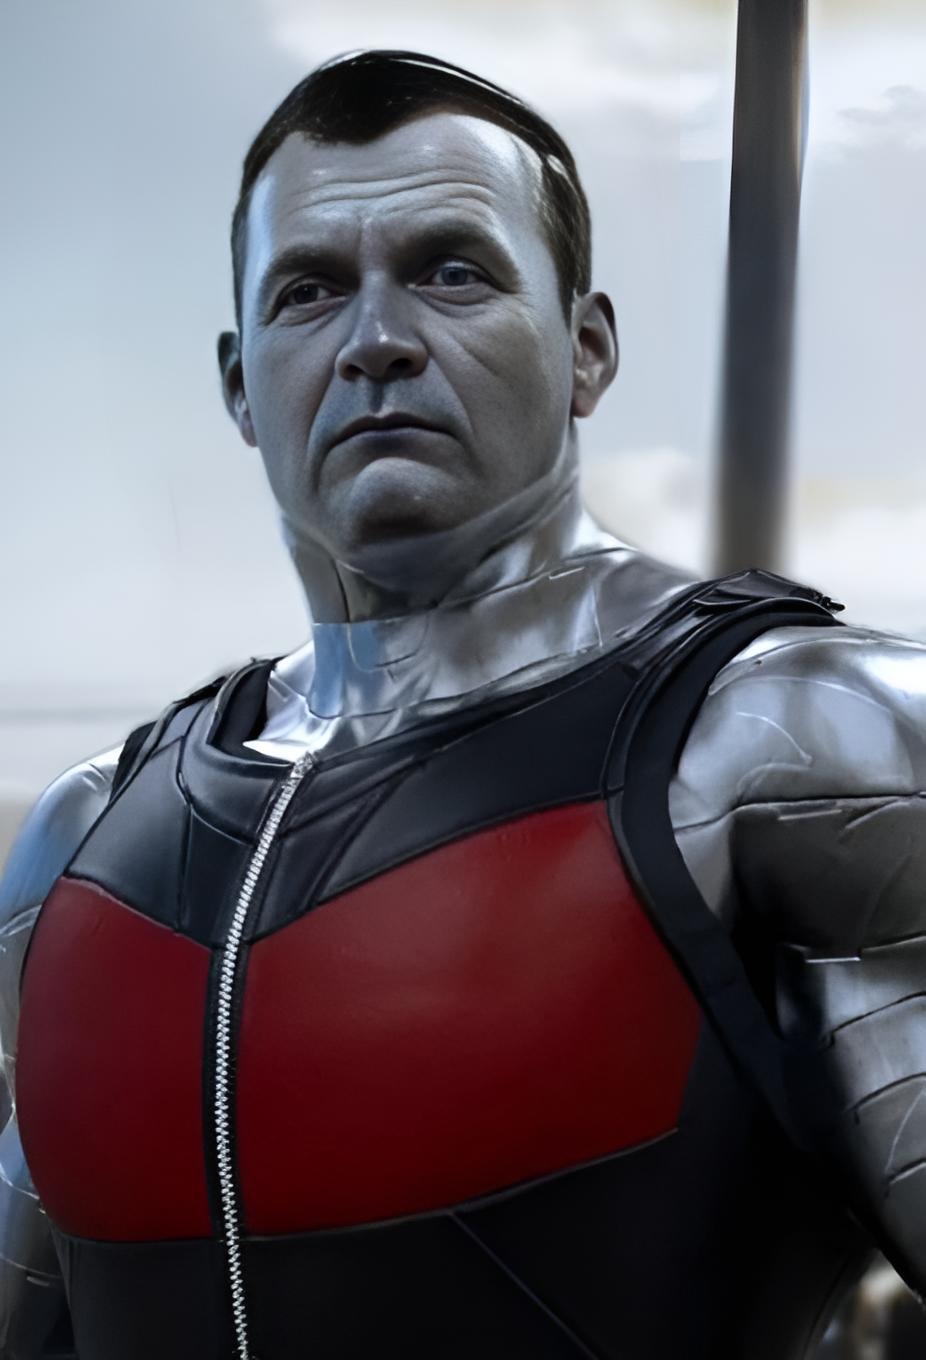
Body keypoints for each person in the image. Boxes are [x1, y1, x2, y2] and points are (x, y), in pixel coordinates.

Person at [1, 48, 925, 1360]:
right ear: (240, 385)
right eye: (310, 290)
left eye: (450, 272)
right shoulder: (81, 844)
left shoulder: (798, 743)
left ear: (585, 350)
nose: (375, 341)